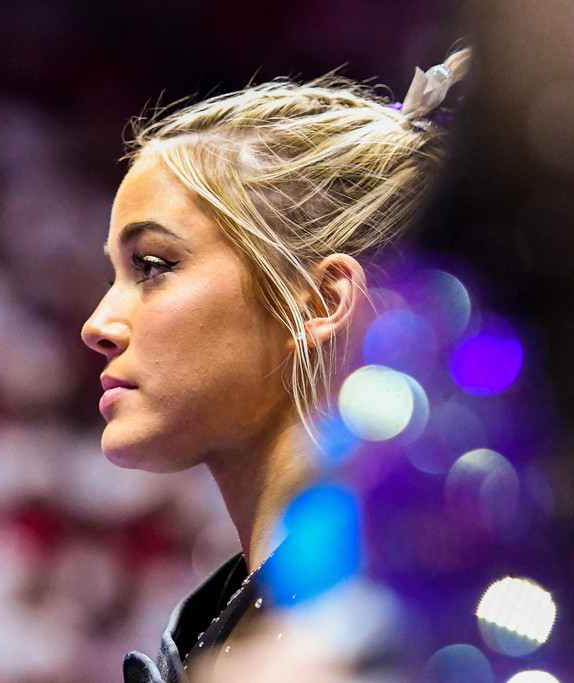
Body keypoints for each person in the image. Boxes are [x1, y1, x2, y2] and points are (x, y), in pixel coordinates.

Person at [81, 48, 470, 683]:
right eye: (114, 276)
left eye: (152, 266)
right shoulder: (226, 627)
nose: (97, 325)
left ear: (318, 302)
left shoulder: (411, 627)